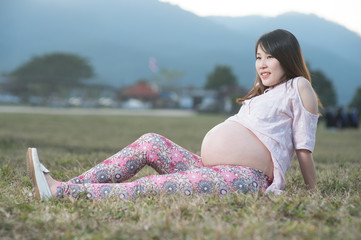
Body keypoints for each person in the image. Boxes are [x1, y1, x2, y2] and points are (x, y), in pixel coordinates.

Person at [27, 29, 320, 200]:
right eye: (258, 57)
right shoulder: (262, 95)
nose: (262, 64)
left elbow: (304, 146)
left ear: (287, 57)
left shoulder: (298, 86)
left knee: (152, 187)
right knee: (150, 141)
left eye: (270, 56)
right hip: (209, 169)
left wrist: (312, 193)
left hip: (245, 179)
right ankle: (70, 184)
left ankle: (60, 192)